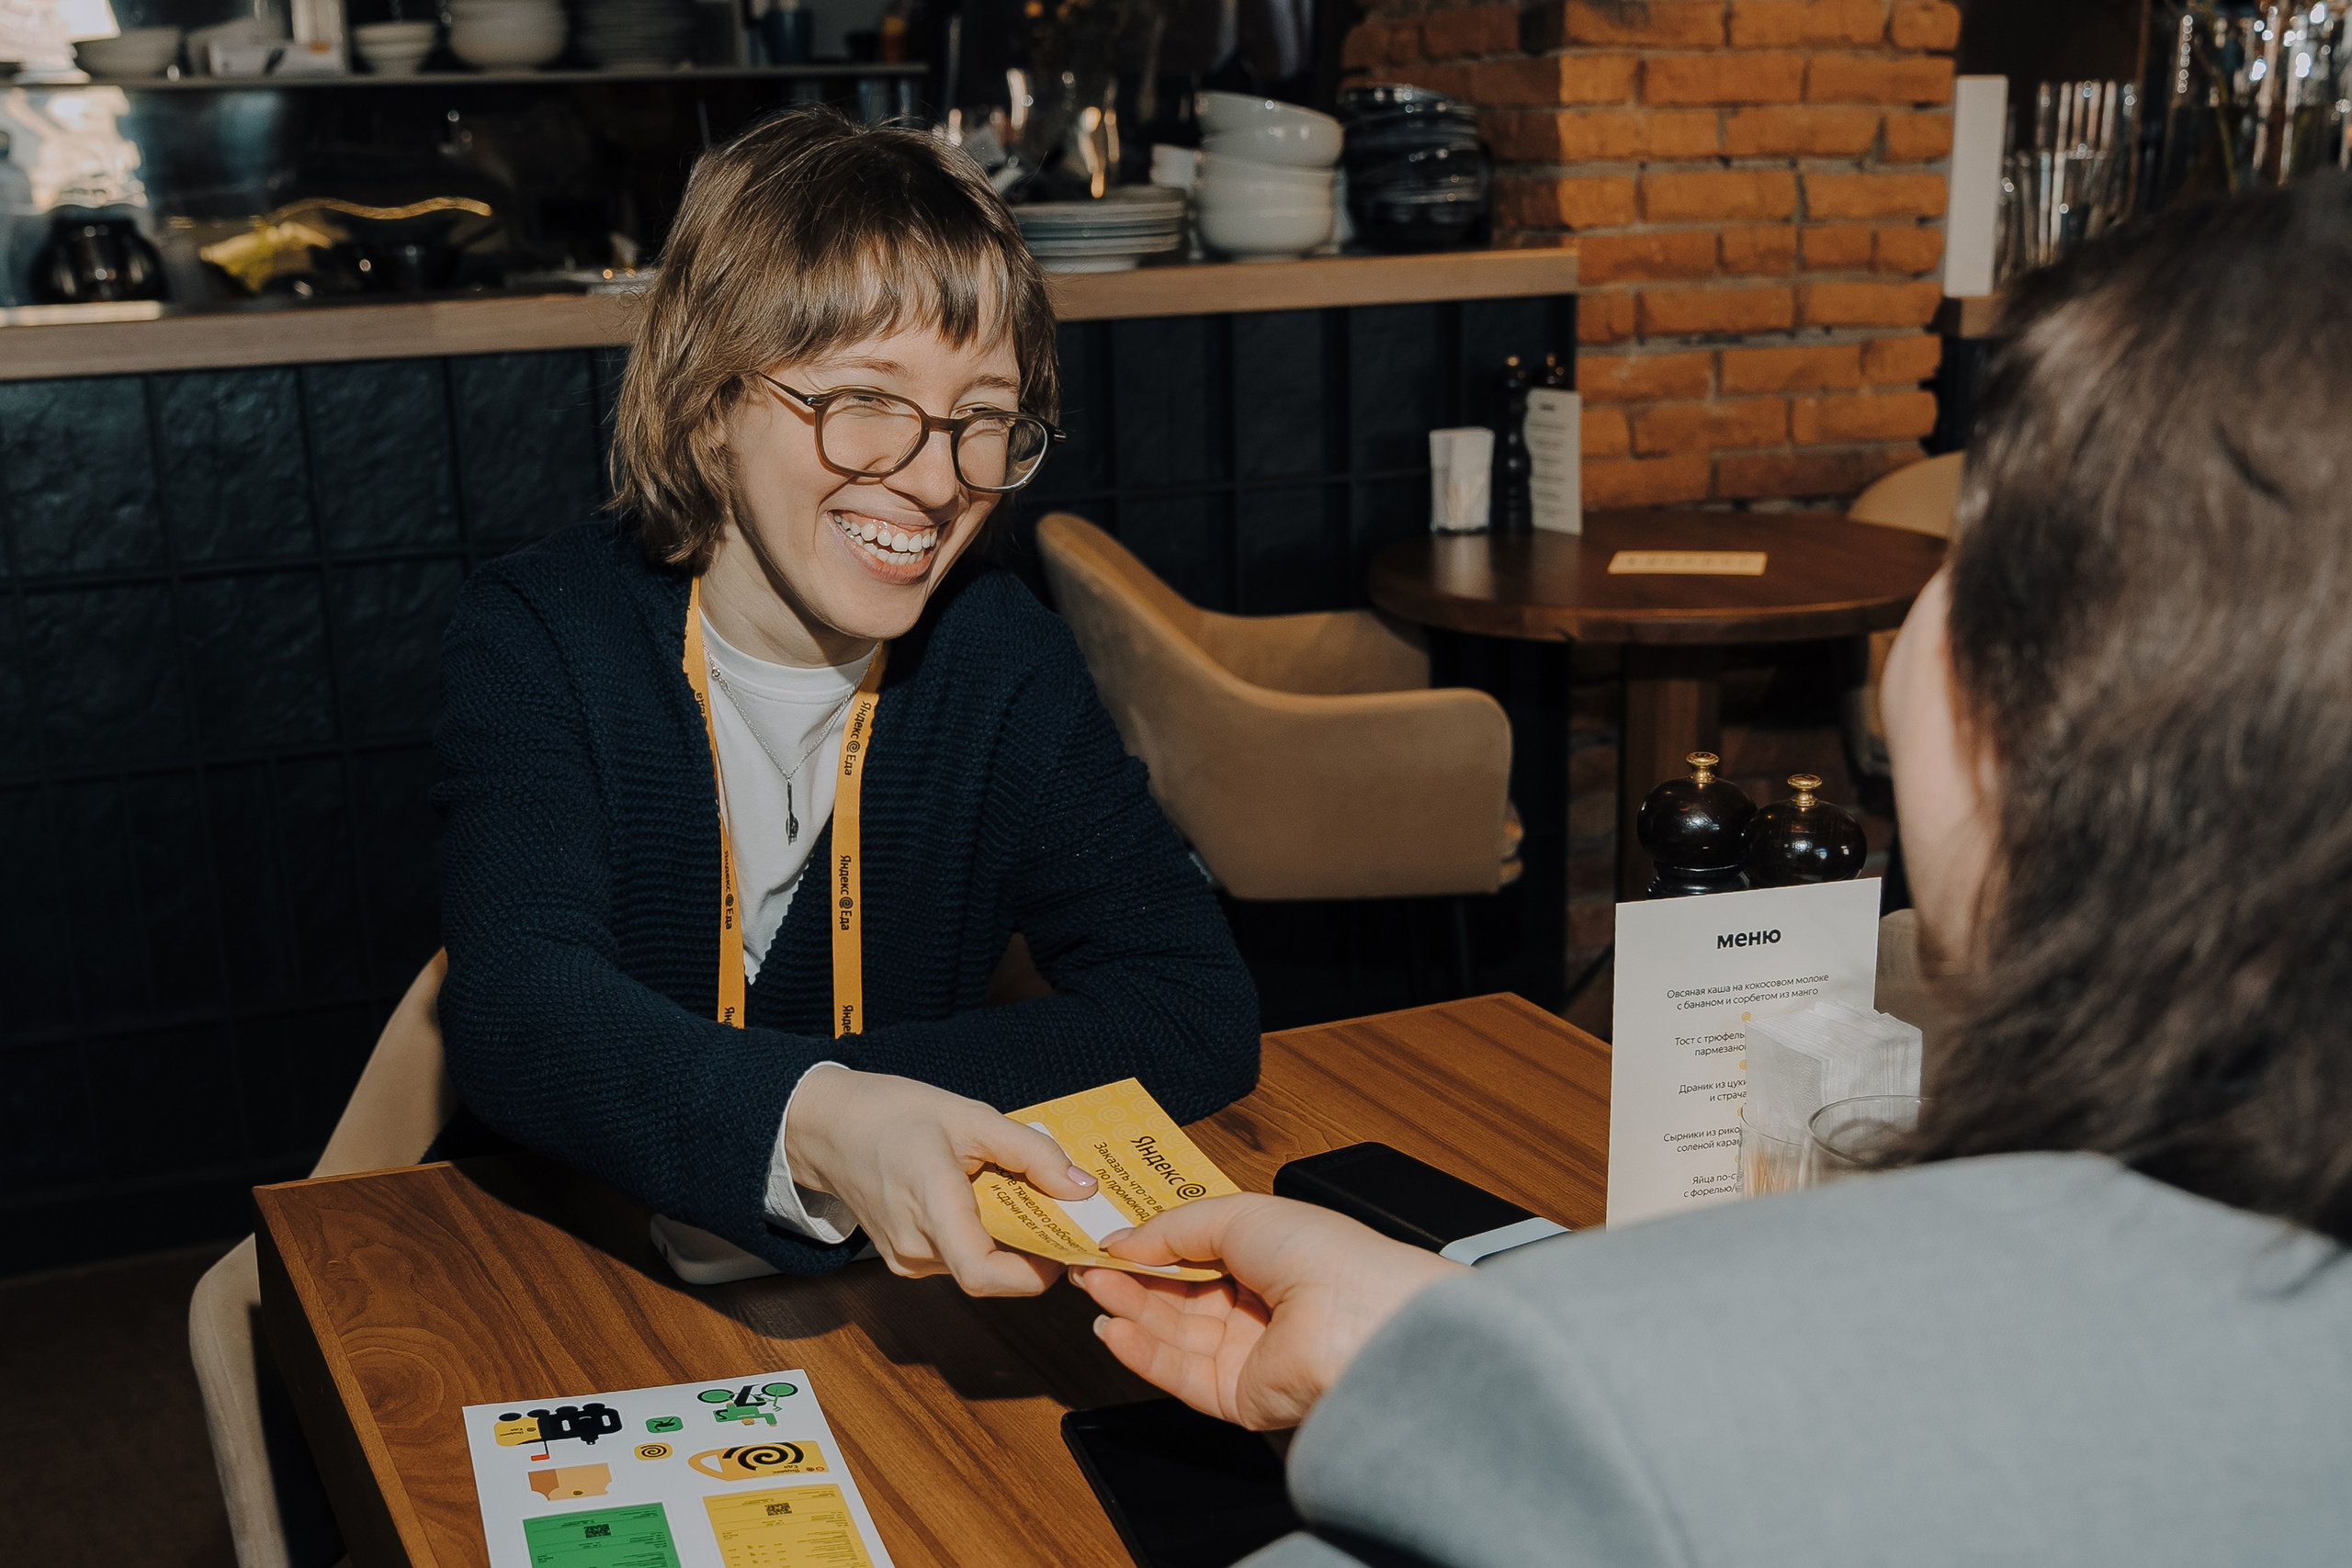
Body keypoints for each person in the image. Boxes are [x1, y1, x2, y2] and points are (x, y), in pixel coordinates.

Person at [1076, 178, 2352, 1563]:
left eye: (1967, 556)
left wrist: (1509, 1374)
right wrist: (1447, 1331)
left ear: (2032, 721)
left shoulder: (1615, 1425)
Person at [432, 108, 1259, 1292]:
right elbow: (519, 1011)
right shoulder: (542, 634)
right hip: (563, 1266)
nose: (933, 480)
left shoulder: (1000, 656)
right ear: (710, 403)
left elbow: (1193, 1005)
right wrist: (818, 1117)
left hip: (872, 1292)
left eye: (981, 417)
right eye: (864, 400)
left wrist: (854, 1108)